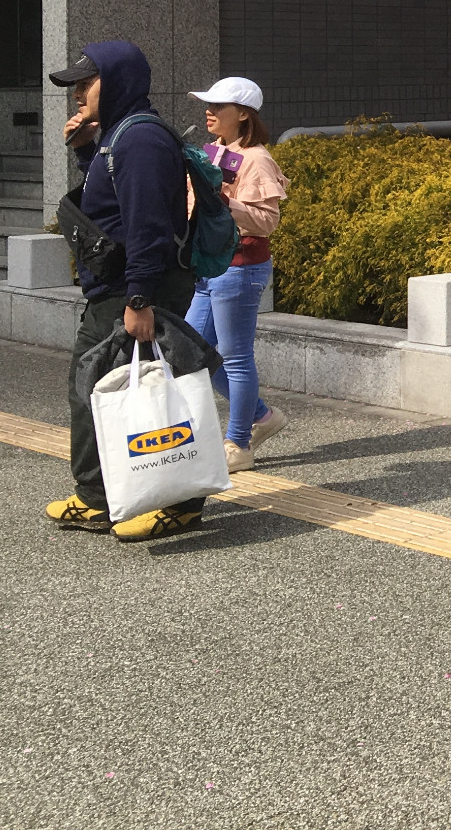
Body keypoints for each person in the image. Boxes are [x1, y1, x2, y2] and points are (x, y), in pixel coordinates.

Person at [43, 42, 206, 542]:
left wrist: (139, 300)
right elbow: (108, 208)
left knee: (155, 390)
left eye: (84, 84)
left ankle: (178, 500)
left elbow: (147, 226)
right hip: (118, 288)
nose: (76, 95)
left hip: (131, 290)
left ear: (116, 83)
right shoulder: (117, 137)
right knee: (102, 390)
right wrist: (86, 152)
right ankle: (100, 496)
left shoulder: (140, 142)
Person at [183, 77, 291, 472]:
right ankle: (261, 416)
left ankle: (239, 444)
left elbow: (267, 220)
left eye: (218, 105)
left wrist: (224, 202)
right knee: (192, 354)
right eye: (207, 104)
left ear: (242, 114)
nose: (208, 112)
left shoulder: (257, 158)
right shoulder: (213, 151)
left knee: (234, 357)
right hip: (208, 267)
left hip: (241, 268)